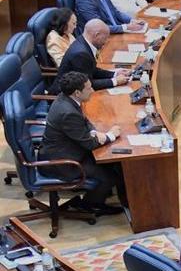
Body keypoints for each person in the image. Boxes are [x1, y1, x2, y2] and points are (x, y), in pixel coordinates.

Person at [41, 71, 124, 213]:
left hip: (66, 150)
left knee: (113, 164)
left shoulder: (66, 98)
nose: (92, 91)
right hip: (63, 163)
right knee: (109, 177)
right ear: (77, 93)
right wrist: (111, 135)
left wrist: (94, 132)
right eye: (89, 88)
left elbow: (84, 120)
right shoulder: (67, 112)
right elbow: (89, 144)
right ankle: (90, 205)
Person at [56, 18, 124, 92]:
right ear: (97, 35)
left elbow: (92, 70)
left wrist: (114, 74)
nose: (106, 42)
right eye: (105, 38)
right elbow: (87, 84)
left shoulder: (83, 41)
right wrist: (115, 81)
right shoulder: (81, 54)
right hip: (65, 96)